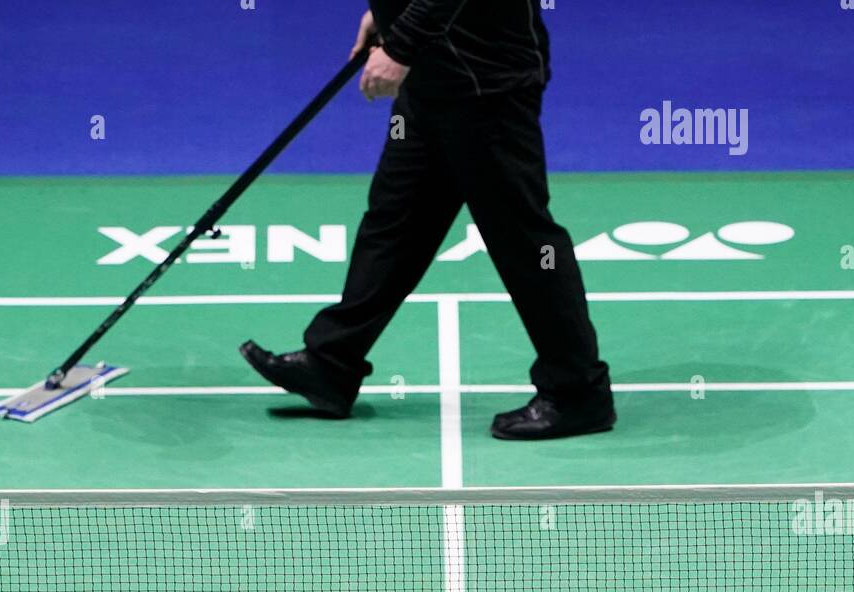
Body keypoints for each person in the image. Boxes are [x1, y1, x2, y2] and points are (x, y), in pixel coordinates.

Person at [240, 3, 613, 442]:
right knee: (395, 223)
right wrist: (388, 10)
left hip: (485, 82)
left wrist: (401, 42)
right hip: (431, 80)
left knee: (527, 243)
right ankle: (331, 364)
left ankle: (577, 392)